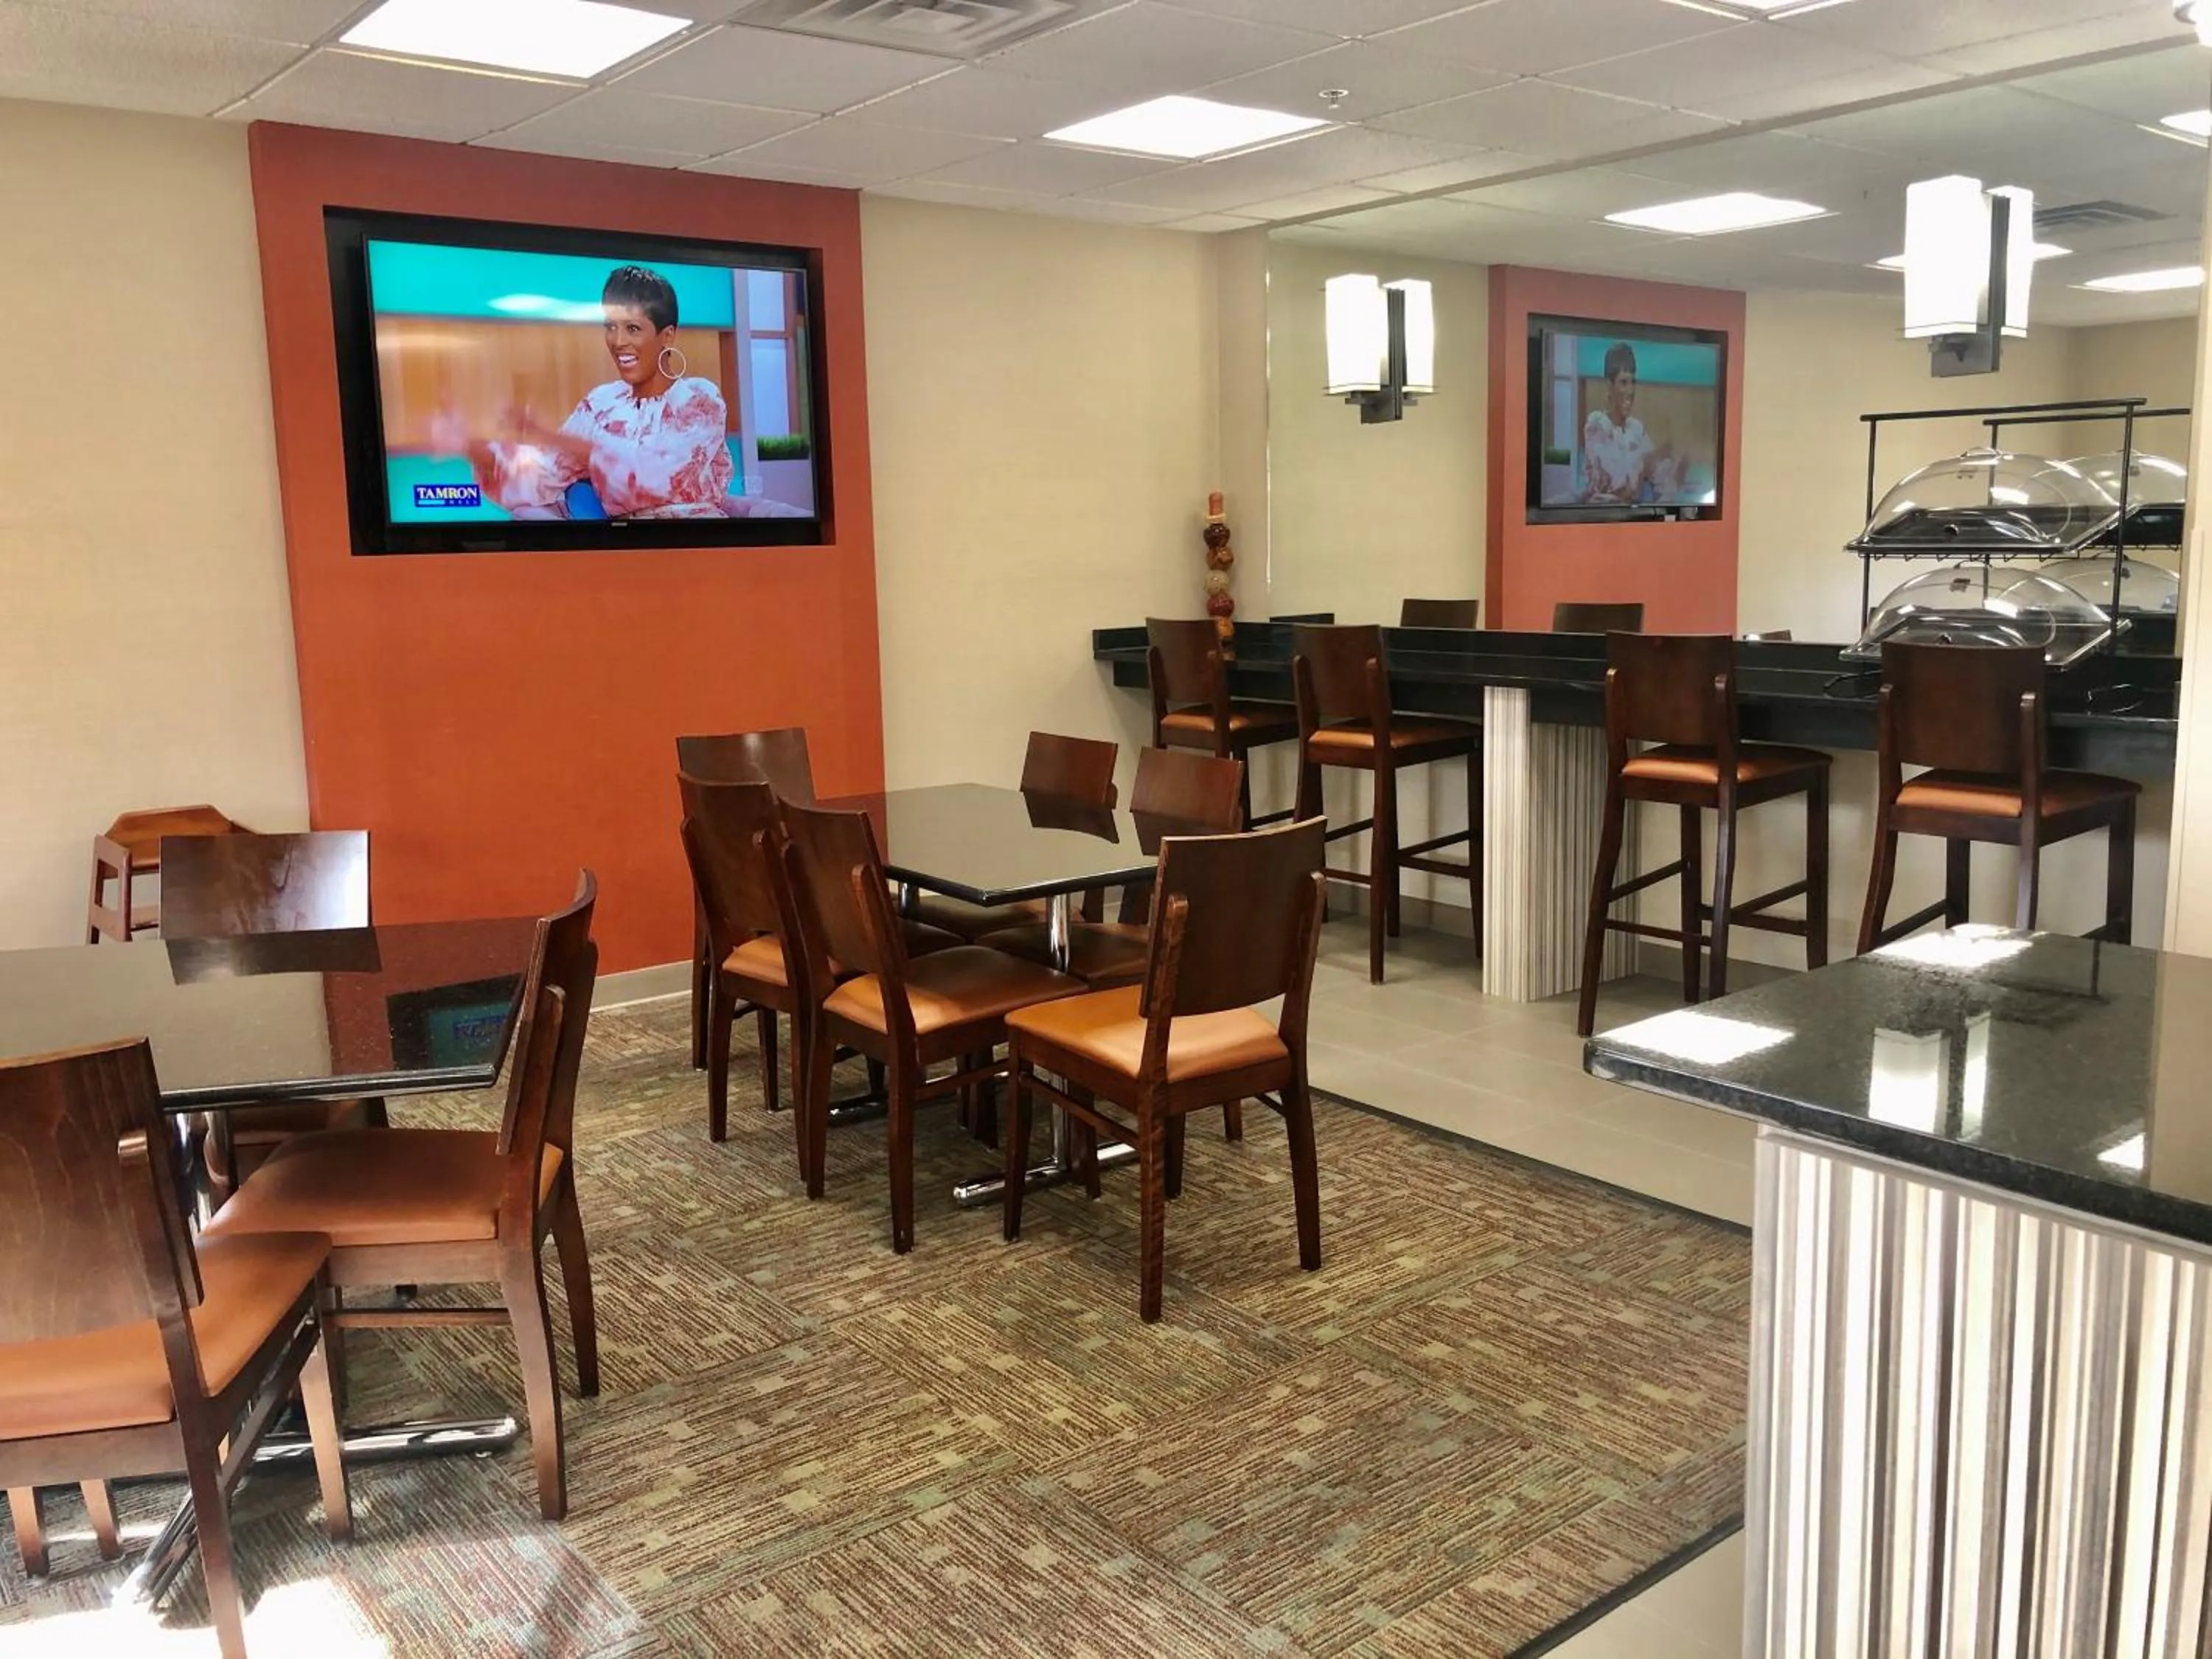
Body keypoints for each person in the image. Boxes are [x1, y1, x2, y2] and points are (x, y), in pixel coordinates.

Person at [454, 265, 737, 520]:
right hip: (616, 555)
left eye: (633, 328)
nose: (618, 341)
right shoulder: (601, 404)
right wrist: (491, 460)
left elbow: (656, 478)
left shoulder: (699, 399)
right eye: (610, 327)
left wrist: (553, 436)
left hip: (698, 547)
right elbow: (549, 473)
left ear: (667, 335)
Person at [1579, 342, 1673, 505]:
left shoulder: (1636, 429)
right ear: (1609, 385)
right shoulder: (1596, 426)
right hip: (1601, 521)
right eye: (1623, 382)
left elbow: (1662, 476)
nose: (1631, 391)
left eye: (1633, 382)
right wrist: (1645, 463)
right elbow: (1618, 485)